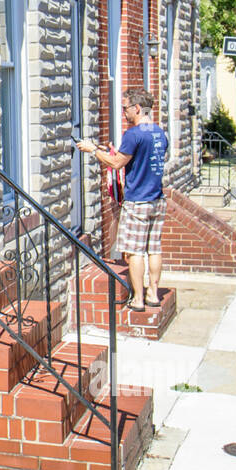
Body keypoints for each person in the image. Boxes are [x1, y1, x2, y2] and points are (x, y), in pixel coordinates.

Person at [76, 87, 168, 312]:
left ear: (137, 108)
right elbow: (135, 157)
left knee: (135, 251)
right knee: (153, 248)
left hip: (138, 201)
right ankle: (153, 294)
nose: (124, 113)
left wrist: (91, 150)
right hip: (157, 198)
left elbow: (116, 163)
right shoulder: (159, 132)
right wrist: (107, 150)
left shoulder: (133, 134)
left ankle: (137, 299)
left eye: (126, 107)